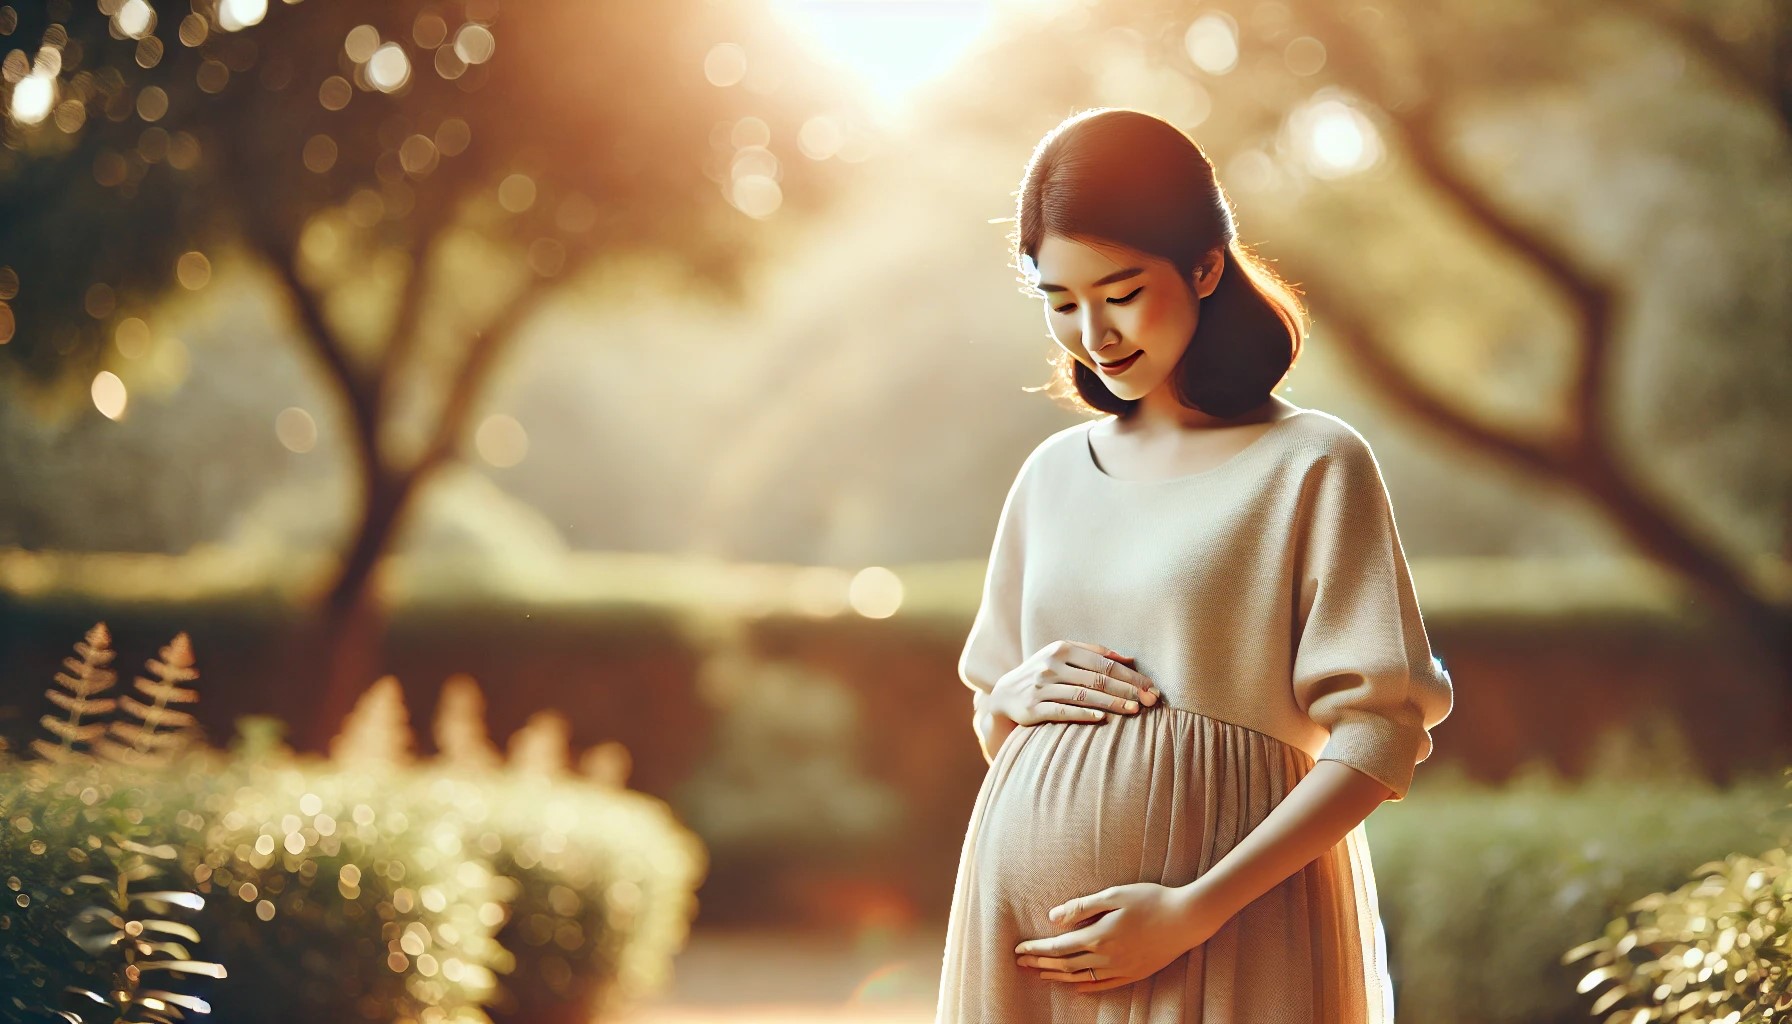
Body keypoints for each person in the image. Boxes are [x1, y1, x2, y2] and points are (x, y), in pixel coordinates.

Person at [935, 107, 1456, 1023]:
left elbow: (1381, 736)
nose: (1094, 333)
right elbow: (995, 726)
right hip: (1022, 953)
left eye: (1121, 290)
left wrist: (1191, 911)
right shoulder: (1050, 475)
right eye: (1061, 302)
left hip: (1231, 933)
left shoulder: (1313, 463)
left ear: (1206, 266)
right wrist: (1011, 696)